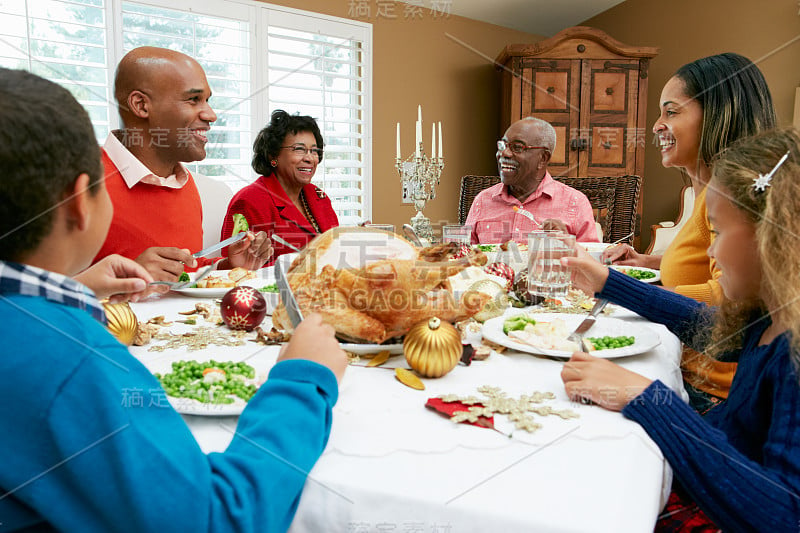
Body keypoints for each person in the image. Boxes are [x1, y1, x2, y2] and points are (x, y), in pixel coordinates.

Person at [0, 67, 348, 531]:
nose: (211, 113)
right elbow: (215, 518)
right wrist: (305, 379)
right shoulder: (72, 361)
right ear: (81, 200)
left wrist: (78, 287)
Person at [561, 128, 800, 531]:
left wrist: (649, 398)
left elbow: (783, 516)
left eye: (719, 232)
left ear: (769, 238)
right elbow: (710, 329)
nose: (712, 251)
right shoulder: (771, 314)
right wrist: (609, 282)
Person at [601, 53, 777, 409]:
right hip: (686, 367)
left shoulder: (730, 195)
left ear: (715, 114)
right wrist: (649, 261)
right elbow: (708, 262)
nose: (655, 125)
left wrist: (628, 290)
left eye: (671, 111)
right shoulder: (708, 189)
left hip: (710, 392)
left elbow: (729, 298)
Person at [93, 46, 273, 281]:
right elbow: (34, 296)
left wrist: (228, 266)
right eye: (193, 99)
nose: (211, 115)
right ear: (141, 105)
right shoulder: (76, 180)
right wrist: (125, 278)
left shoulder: (185, 184)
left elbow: (186, 269)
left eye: (207, 100)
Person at [221, 110, 339, 262]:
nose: (310, 158)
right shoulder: (250, 201)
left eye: (314, 151)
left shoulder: (318, 196)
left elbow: (335, 248)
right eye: (299, 149)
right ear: (273, 155)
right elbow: (236, 268)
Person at [465, 116, 599, 244]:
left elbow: (592, 260)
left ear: (543, 158)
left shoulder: (575, 203)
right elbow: (461, 256)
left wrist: (565, 244)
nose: (504, 153)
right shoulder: (482, 201)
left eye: (517, 147)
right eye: (503, 145)